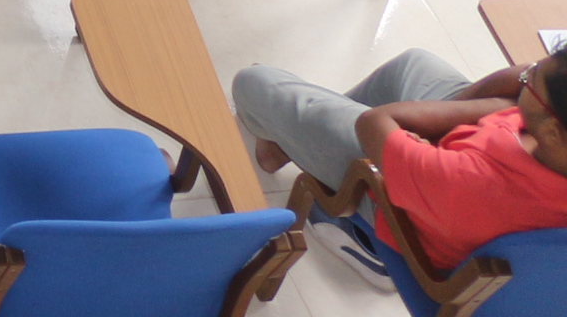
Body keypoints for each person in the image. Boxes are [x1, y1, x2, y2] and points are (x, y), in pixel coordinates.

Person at [228, 46, 567, 268]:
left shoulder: (469, 180)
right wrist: (491, 105)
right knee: (411, 64)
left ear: (552, 131)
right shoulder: (554, 146)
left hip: (401, 209)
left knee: (254, 82)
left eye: (531, 81)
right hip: (446, 161)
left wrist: (492, 106)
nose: (525, 75)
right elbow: (514, 87)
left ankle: (288, 144)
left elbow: (373, 123)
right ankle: (289, 141)